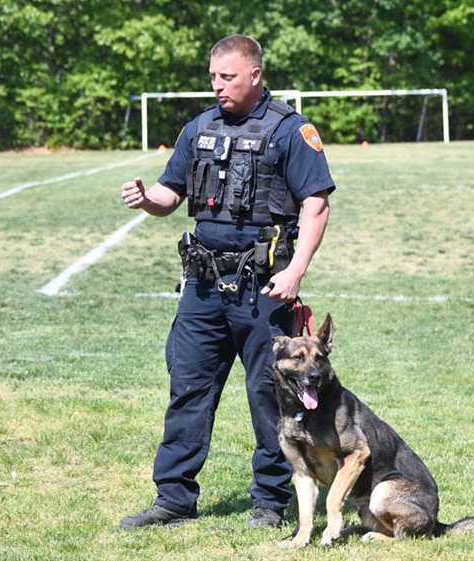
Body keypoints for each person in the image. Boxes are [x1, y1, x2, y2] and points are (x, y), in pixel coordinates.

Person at [119, 34, 335, 530]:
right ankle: (173, 499)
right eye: (213, 77)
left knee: (269, 396)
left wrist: (295, 269)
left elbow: (317, 205)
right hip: (202, 286)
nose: (218, 86)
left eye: (228, 77)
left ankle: (270, 502)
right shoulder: (198, 127)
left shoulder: (289, 130)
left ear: (255, 75)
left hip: (264, 288)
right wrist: (144, 199)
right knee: (188, 388)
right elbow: (169, 193)